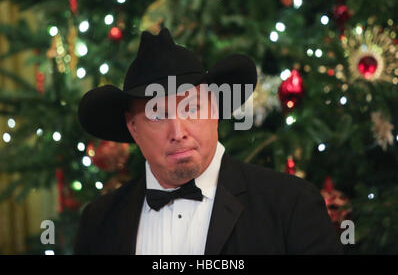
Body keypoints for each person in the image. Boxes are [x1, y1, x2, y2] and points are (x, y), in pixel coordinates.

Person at [75, 27, 342, 254]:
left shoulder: (291, 204)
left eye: (191, 108)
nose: (178, 132)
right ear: (133, 129)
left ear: (215, 110)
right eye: (157, 115)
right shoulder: (98, 222)